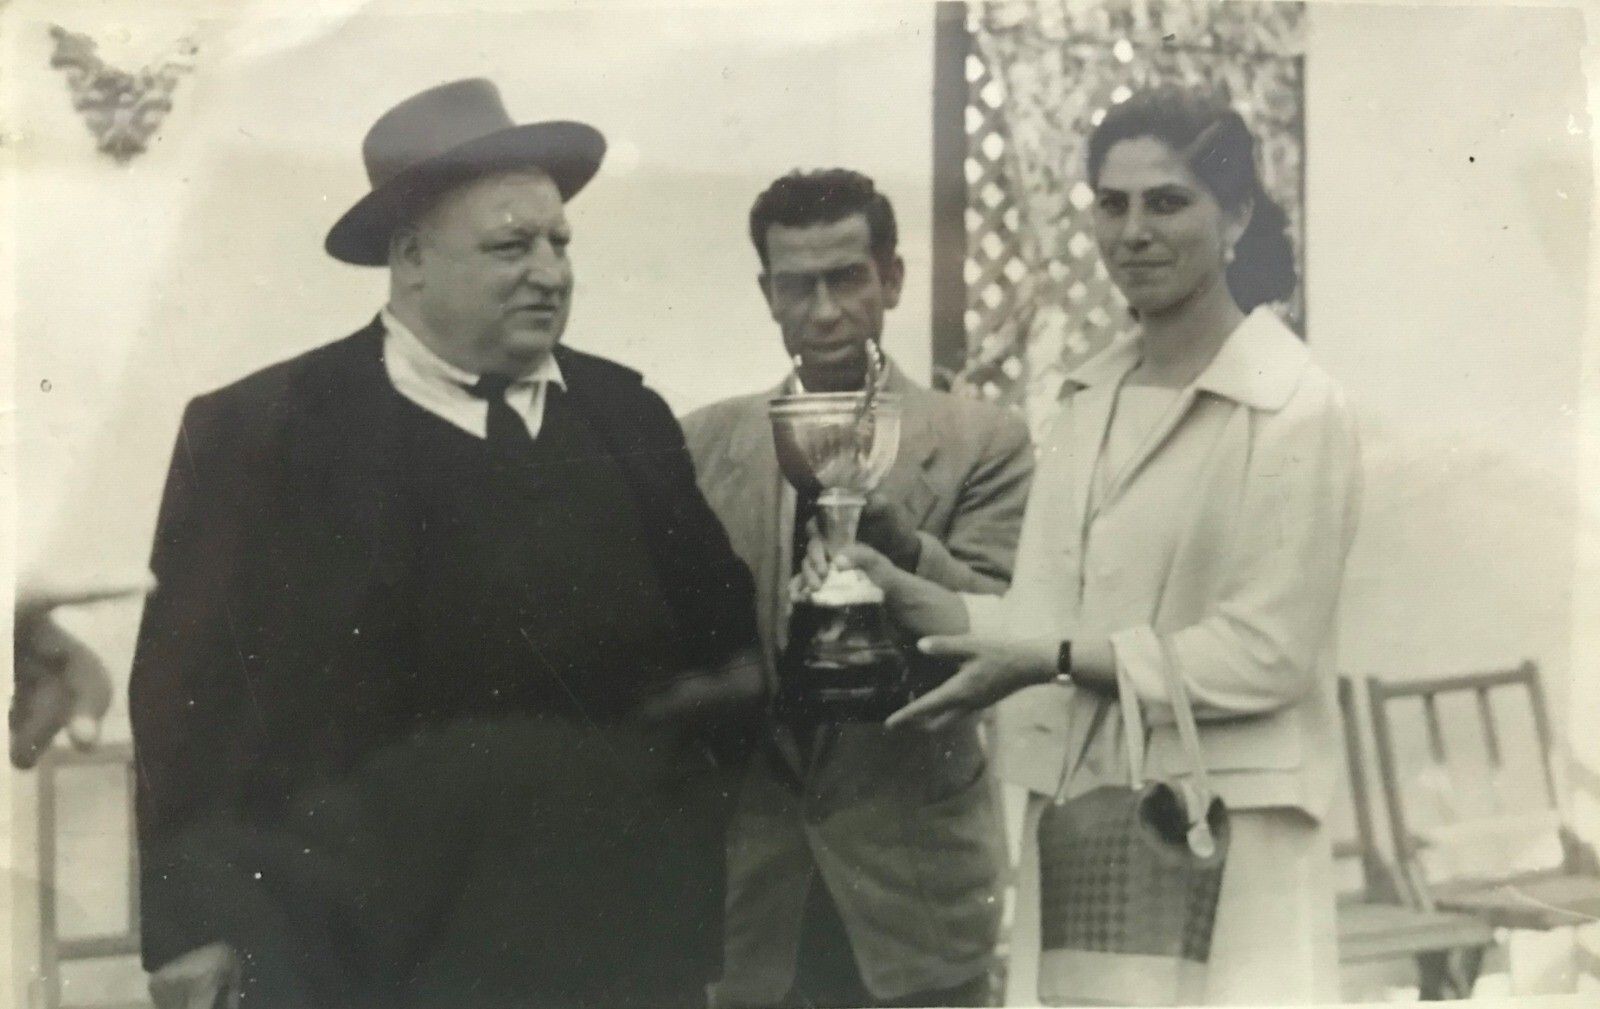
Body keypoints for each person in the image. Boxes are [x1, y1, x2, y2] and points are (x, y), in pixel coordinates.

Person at [129, 79, 764, 1009]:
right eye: (511, 246)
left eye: (559, 242)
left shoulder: (627, 415)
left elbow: (724, 639)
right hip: (357, 956)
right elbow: (184, 697)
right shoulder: (258, 433)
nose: (549, 270)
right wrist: (195, 926)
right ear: (410, 258)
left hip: (613, 944)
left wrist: (668, 847)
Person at [806, 86, 1362, 1005]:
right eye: (1112, 203)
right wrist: (911, 596)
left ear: (1237, 213)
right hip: (1087, 829)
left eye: (1167, 201)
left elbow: (1267, 653)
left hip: (1232, 836)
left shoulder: (1295, 405)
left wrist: (1050, 656)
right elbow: (1044, 624)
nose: (1133, 231)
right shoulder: (1088, 396)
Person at [682, 169, 1032, 1008]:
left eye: (848, 278)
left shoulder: (982, 440)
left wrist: (894, 540)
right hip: (753, 910)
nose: (826, 309)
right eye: (799, 285)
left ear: (892, 279)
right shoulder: (701, 444)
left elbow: (998, 625)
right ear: (768, 294)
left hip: (913, 902)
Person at [10, 573, 150, 769]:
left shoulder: (20, 606)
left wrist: (129, 586)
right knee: (21, 756)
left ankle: (77, 720)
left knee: (27, 751)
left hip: (63, 670)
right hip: (35, 682)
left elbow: (68, 594)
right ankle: (68, 719)